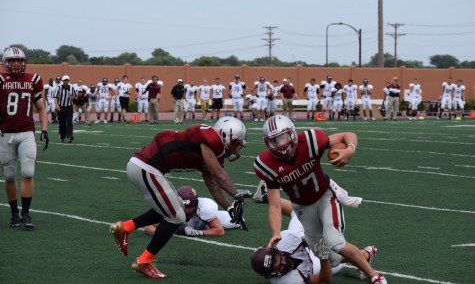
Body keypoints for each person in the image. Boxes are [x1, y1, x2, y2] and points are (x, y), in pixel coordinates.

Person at [109, 117, 249, 278]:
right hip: (146, 167)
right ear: (226, 135)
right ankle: (144, 261)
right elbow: (218, 174)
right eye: (236, 143)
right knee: (177, 217)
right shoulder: (211, 140)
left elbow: (212, 182)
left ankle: (125, 228)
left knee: (174, 209)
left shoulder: (209, 149)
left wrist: (230, 207)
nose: (236, 148)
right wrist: (237, 195)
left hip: (148, 168)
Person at [253, 115, 387, 284]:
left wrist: (350, 149)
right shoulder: (266, 164)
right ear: (267, 143)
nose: (281, 145)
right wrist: (275, 232)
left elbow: (347, 135)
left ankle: (375, 277)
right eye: (275, 141)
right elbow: (274, 205)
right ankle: (366, 254)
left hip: (325, 196)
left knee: (335, 241)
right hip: (303, 208)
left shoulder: (310, 140)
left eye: (284, 137)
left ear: (293, 133)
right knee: (331, 258)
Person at [0, 47, 49, 229]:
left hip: (26, 132)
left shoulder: (33, 80)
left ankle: (26, 214)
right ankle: (14, 213)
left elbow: (41, 108)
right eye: (12, 61)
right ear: (5, 63)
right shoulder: (1, 80)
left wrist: (44, 130)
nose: (17, 64)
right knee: (9, 175)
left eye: (19, 60)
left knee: (28, 173)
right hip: (5, 132)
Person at [143, 185, 242, 236]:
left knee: (238, 220)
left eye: (191, 205)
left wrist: (197, 233)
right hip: (197, 222)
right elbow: (148, 227)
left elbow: (220, 231)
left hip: (207, 221)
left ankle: (235, 207)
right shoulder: (172, 210)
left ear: (196, 203)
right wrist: (165, 233)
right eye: (186, 206)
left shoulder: (205, 208)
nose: (188, 209)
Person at [54, 75, 77, 143]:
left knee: (69, 122)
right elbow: (55, 97)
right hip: (61, 107)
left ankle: (69, 136)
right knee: (62, 123)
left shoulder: (72, 87)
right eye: (65, 80)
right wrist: (57, 106)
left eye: (67, 80)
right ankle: (62, 136)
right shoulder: (59, 87)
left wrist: (72, 97)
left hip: (69, 107)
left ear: (68, 81)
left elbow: (75, 97)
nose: (66, 82)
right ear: (63, 81)